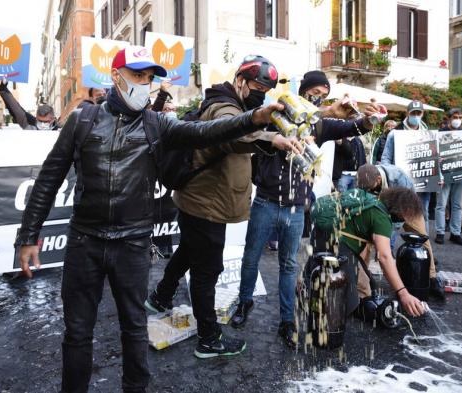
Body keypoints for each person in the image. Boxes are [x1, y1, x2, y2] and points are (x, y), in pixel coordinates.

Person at [15, 46, 285, 393]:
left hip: (133, 243)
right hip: (85, 241)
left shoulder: (157, 124)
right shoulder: (82, 120)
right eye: (137, 76)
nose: (144, 84)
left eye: (148, 78)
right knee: (78, 332)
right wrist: (28, 236)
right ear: (116, 76)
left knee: (134, 327)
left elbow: (208, 132)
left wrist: (254, 119)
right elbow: (48, 179)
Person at [145, 55, 299, 359]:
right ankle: (209, 339)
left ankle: (160, 296)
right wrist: (271, 139)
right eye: (256, 86)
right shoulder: (226, 107)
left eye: (264, 89)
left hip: (197, 199)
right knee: (207, 270)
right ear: (240, 80)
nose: (259, 94)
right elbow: (233, 135)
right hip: (207, 203)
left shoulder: (226, 100)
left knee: (189, 250)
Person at [230, 70, 381, 347]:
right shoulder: (278, 115)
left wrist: (369, 119)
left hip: (297, 208)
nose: (318, 97)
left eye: (323, 95)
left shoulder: (319, 126)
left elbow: (351, 128)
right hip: (265, 201)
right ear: (304, 90)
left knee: (288, 265)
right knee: (250, 258)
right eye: (315, 93)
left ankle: (287, 321)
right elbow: (252, 129)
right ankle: (244, 303)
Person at [315, 187, 427, 318]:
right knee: (350, 299)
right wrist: (403, 293)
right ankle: (330, 323)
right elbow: (384, 257)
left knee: (370, 285)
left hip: (323, 236)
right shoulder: (381, 218)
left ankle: (314, 293)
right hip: (335, 243)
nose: (407, 220)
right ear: (402, 208)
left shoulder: (375, 202)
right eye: (408, 215)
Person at [356, 163, 445, 300]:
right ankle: (363, 278)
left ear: (379, 179)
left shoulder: (399, 178)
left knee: (422, 238)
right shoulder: (366, 179)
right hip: (380, 210)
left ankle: (432, 278)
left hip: (407, 208)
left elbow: (400, 215)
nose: (367, 191)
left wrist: (385, 237)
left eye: (370, 189)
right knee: (364, 242)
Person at [381, 100, 432, 232]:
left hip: (423, 184)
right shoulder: (394, 133)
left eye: (418, 113)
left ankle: (421, 249)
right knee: (396, 218)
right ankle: (388, 251)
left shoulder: (429, 134)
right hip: (400, 185)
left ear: (422, 113)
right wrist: (389, 179)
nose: (415, 115)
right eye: (413, 113)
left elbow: (434, 158)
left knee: (422, 215)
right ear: (407, 113)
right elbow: (386, 158)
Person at [435, 108, 462, 245]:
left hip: (460, 173)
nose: (458, 119)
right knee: (441, 204)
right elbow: (434, 152)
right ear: (449, 118)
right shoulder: (440, 133)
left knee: (457, 205)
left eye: (460, 117)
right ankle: (440, 232)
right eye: (455, 117)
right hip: (445, 173)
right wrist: (437, 158)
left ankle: (455, 233)